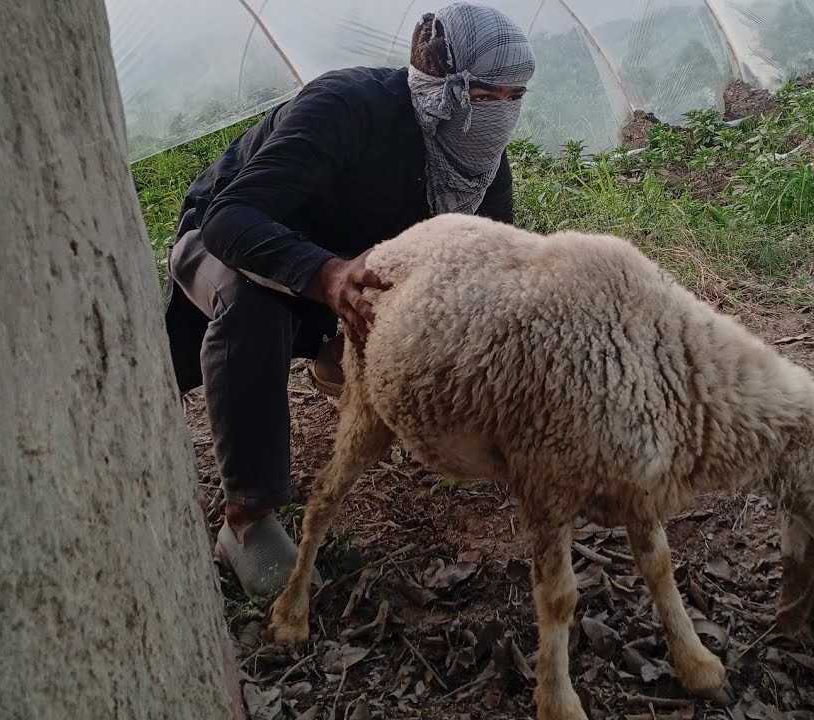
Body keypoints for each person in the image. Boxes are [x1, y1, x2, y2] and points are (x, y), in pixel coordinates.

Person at [161, 2, 535, 597]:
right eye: (489, 95)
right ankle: (247, 520)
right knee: (252, 306)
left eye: (516, 96)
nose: (503, 111)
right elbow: (233, 218)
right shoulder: (346, 106)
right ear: (443, 87)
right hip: (232, 244)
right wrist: (327, 274)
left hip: (343, 273)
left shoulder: (479, 163)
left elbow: (487, 268)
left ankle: (335, 357)